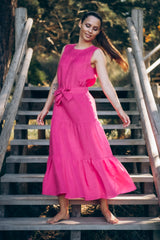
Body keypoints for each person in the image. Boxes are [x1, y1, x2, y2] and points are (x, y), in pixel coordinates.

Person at [37, 11, 136, 225]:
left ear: (99, 31)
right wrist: (46, 108)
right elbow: (57, 81)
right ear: (80, 23)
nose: (90, 30)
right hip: (62, 109)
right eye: (88, 25)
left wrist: (119, 109)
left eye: (95, 28)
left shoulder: (96, 53)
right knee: (61, 154)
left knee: (95, 152)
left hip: (82, 108)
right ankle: (63, 210)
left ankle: (105, 209)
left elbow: (106, 84)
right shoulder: (66, 49)